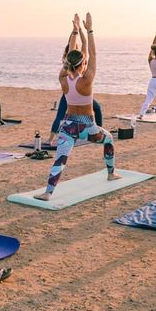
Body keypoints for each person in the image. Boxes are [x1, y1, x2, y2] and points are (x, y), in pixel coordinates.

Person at [34, 13, 120, 201]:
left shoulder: (63, 79)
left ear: (68, 64)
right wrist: (89, 29)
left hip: (68, 127)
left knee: (60, 160)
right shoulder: (87, 80)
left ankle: (48, 193)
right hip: (88, 127)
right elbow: (94, 54)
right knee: (109, 139)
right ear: (82, 65)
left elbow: (70, 57)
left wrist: (74, 30)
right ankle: (111, 173)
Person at [45, 25, 103, 146]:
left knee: (62, 114)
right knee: (95, 109)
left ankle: (51, 139)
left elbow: (82, 46)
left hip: (69, 92)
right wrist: (87, 29)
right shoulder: (86, 78)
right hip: (80, 93)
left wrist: (77, 30)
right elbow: (91, 52)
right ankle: (96, 132)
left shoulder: (63, 75)